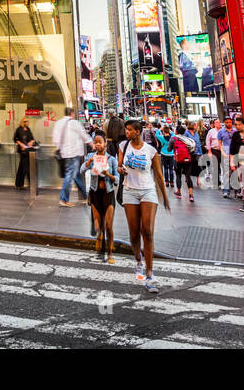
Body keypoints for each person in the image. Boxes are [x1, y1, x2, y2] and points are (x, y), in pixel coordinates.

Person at [120, 118, 170, 293]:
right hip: (129, 191)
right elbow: (120, 166)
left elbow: (158, 173)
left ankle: (149, 273)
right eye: (126, 130)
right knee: (134, 234)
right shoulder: (123, 147)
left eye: (129, 130)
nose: (126, 132)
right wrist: (120, 169)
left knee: (147, 231)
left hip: (148, 190)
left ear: (137, 131)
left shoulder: (151, 151)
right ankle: (138, 260)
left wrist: (165, 196)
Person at [85, 133, 119, 263]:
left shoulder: (111, 159)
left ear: (106, 143)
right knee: (98, 225)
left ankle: (110, 252)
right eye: (96, 142)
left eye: (100, 142)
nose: (97, 144)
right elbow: (82, 169)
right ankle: (100, 240)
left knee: (108, 225)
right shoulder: (90, 156)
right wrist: (88, 162)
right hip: (94, 194)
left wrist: (108, 174)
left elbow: (117, 180)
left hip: (108, 194)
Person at [51, 107, 90, 207]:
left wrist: (61, 148)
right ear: (72, 113)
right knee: (70, 176)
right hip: (73, 153)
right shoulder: (74, 123)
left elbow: (55, 139)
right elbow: (84, 135)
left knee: (75, 175)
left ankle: (85, 197)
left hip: (64, 154)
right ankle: (63, 199)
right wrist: (92, 144)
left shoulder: (58, 123)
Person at [173, 123, 201, 202]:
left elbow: (169, 149)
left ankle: (179, 192)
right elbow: (194, 147)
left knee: (178, 175)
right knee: (188, 176)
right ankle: (191, 195)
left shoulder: (174, 139)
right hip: (188, 159)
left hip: (178, 159)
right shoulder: (189, 139)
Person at [13, 117, 37, 190]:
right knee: (26, 168)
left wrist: (31, 142)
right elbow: (15, 139)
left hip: (28, 150)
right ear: (23, 122)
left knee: (22, 168)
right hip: (22, 151)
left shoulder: (28, 129)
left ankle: (19, 184)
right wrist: (21, 145)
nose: (28, 123)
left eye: (28, 121)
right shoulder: (19, 129)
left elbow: (32, 139)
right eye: (26, 121)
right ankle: (30, 184)